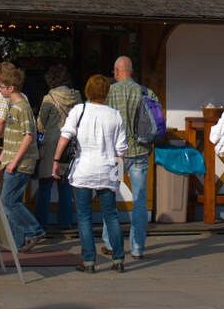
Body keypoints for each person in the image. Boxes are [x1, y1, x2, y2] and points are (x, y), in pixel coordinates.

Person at [53, 74, 126, 273]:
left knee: (84, 217)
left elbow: (65, 136)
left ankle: (89, 261)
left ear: (87, 90)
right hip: (107, 170)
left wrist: (56, 161)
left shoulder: (79, 110)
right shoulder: (115, 115)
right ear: (106, 92)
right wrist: (118, 177)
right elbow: (121, 150)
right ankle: (118, 259)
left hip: (83, 170)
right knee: (110, 215)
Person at [101, 56, 159, 260]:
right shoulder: (146, 92)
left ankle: (109, 242)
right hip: (141, 153)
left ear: (117, 71)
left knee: (110, 197)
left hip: (117, 156)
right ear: (131, 71)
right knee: (140, 200)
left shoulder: (109, 93)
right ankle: (137, 247)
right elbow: (157, 122)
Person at [0, 63, 44, 253]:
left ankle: (34, 230)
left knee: (8, 201)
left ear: (11, 88)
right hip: (10, 160)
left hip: (21, 163)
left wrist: (14, 161)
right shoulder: (12, 106)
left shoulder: (21, 107)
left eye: (2, 87)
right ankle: (17, 241)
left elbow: (28, 135)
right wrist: (1, 162)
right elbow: (11, 139)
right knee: (12, 200)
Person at [35, 64, 79, 232]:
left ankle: (41, 224)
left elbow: (40, 125)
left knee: (45, 184)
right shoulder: (77, 96)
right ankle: (66, 222)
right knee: (65, 185)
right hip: (69, 144)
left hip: (52, 144)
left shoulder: (48, 99)